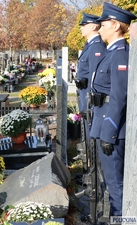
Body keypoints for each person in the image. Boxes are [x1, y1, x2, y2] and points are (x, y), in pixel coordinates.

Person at [89, 2, 136, 217]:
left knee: (117, 185)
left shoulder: (119, 54)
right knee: (111, 181)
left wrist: (110, 131)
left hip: (112, 129)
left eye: (104, 24)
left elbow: (119, 96)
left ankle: (124, 220)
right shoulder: (111, 52)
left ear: (116, 25)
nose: (100, 28)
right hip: (103, 123)